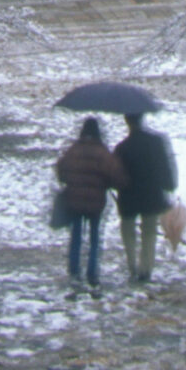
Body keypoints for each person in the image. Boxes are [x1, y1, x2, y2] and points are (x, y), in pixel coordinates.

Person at [53, 116, 124, 288]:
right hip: (95, 203)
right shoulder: (102, 152)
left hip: (75, 201)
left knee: (76, 237)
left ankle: (74, 270)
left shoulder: (74, 150)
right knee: (94, 238)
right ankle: (92, 273)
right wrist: (108, 184)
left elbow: (61, 169)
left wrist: (69, 180)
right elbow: (114, 174)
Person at [113, 111, 178, 283]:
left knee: (128, 230)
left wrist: (113, 186)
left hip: (128, 197)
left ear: (127, 122)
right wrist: (169, 185)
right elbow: (165, 166)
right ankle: (146, 268)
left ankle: (132, 265)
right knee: (149, 232)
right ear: (142, 119)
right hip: (151, 196)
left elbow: (114, 174)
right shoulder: (155, 142)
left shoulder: (122, 148)